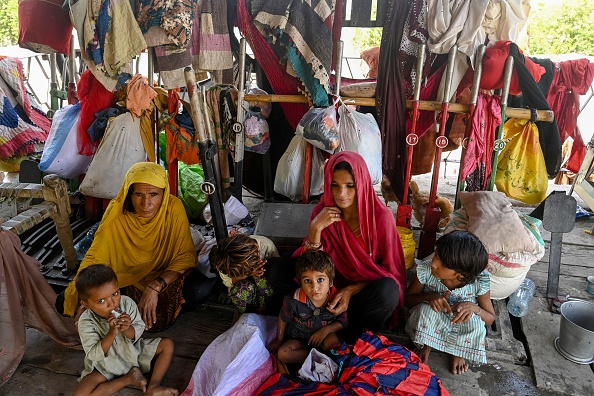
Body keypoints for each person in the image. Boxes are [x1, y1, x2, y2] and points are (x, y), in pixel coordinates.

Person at [60, 162, 206, 331]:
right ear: (129, 194)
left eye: (153, 194)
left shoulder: (173, 208)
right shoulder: (117, 211)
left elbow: (185, 256)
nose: (146, 204)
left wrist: (155, 286)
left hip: (163, 276)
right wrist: (81, 297)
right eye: (138, 194)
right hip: (125, 278)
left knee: (200, 290)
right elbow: (95, 256)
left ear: (164, 195)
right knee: (65, 300)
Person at [292, 151, 407, 340]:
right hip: (323, 289)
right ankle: (309, 325)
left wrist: (350, 290)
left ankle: (346, 335)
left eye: (350, 186)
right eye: (334, 185)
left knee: (388, 291)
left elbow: (390, 271)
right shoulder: (322, 212)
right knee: (276, 270)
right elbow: (309, 266)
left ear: (361, 184)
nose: (341, 194)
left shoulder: (380, 217)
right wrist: (315, 229)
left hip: (359, 297)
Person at [73, 264, 178, 396]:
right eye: (101, 301)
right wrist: (111, 333)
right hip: (106, 365)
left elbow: (139, 329)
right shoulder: (86, 321)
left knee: (167, 345)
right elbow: (93, 354)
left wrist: (127, 329)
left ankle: (153, 386)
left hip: (134, 352)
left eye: (115, 294)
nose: (112, 303)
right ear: (86, 304)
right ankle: (129, 378)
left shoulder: (126, 303)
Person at [405, 231, 495, 375]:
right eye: (436, 255)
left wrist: (474, 308)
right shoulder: (426, 270)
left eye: (441, 262)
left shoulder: (479, 282)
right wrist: (428, 296)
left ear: (461, 275)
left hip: (460, 322)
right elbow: (407, 300)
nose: (433, 263)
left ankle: (458, 352)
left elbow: (490, 319)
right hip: (433, 317)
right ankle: (425, 344)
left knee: (474, 322)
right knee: (425, 310)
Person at [267, 251, 347, 365]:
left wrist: (325, 331)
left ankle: (322, 358)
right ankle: (321, 359)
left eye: (320, 280)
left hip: (323, 339)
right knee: (283, 353)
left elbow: (342, 322)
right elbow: (283, 318)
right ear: (300, 283)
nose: (314, 287)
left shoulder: (337, 300)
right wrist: (279, 339)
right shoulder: (293, 300)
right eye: (307, 281)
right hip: (299, 339)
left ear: (331, 282)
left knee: (333, 343)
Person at [209, 234, 279, 318]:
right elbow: (228, 283)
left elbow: (278, 270)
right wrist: (249, 273)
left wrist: (259, 271)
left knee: (261, 275)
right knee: (241, 290)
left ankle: (263, 310)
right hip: (248, 291)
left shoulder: (265, 245)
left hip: (269, 292)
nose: (259, 255)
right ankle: (241, 314)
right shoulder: (224, 261)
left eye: (258, 253)